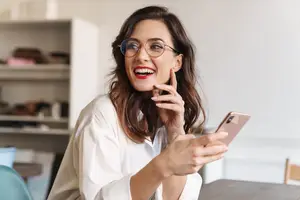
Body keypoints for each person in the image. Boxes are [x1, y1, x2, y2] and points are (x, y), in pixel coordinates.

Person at [47, 5, 228, 200]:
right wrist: (163, 164)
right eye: (132, 46)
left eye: (156, 47)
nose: (141, 56)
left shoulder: (165, 117)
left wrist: (175, 134)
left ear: (177, 62)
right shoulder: (101, 114)